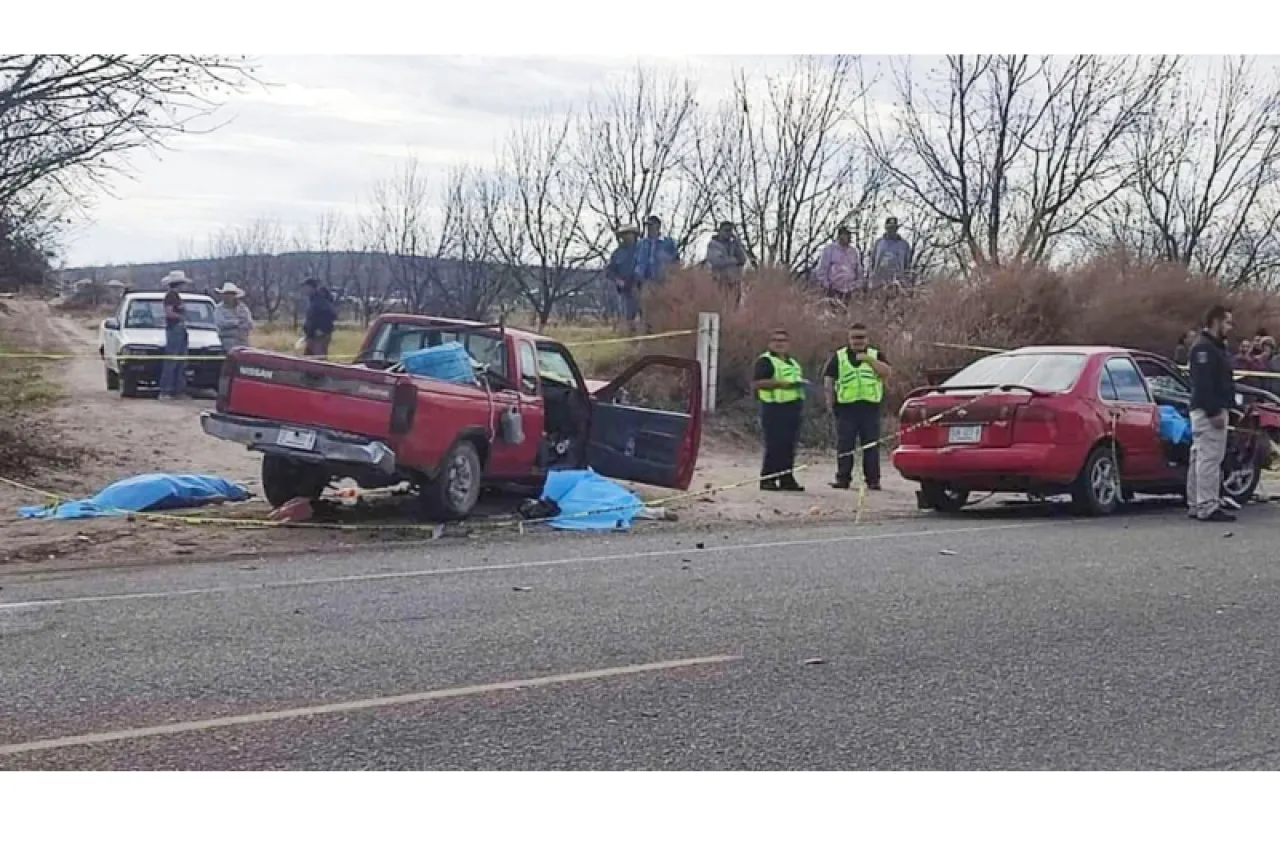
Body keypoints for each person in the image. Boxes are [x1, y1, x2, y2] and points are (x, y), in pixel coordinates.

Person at [824, 322, 892, 491]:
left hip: (870, 408)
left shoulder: (875, 355)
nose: (858, 341)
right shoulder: (839, 356)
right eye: (854, 338)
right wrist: (829, 402)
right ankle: (843, 479)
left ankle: (873, 481)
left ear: (867, 339)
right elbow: (829, 379)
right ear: (849, 339)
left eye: (861, 337)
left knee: (871, 445)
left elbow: (886, 372)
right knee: (845, 445)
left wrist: (869, 360)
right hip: (846, 408)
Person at [1187, 304, 1237, 523]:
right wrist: (1214, 411)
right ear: (1216, 322)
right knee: (1209, 458)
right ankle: (1207, 504)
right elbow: (1204, 384)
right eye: (1227, 322)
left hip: (1208, 409)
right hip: (1209, 412)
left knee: (1199, 457)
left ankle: (1196, 502)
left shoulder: (1213, 347)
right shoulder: (1204, 349)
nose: (1230, 327)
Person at [751, 328, 807, 492]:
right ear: (770, 343)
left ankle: (786, 478)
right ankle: (768, 479)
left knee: (789, 446)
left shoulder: (793, 362)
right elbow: (757, 383)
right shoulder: (765, 361)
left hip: (792, 408)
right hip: (774, 408)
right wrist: (782, 384)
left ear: (788, 344)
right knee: (775, 445)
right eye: (776, 340)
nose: (779, 343)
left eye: (782, 340)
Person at [157, 270, 191, 401]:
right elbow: (169, 313)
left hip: (179, 328)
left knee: (181, 360)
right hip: (174, 328)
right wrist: (182, 317)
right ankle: (165, 390)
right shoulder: (171, 296)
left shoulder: (175, 296)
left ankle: (178, 390)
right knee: (172, 360)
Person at [607, 224, 643, 333]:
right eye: (624, 234)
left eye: (629, 234)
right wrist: (618, 281)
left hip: (642, 287)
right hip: (625, 290)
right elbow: (610, 271)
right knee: (628, 315)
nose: (626, 237)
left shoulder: (642, 249)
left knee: (645, 314)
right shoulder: (617, 253)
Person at [814, 226, 865, 303]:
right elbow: (822, 269)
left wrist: (857, 285)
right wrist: (827, 285)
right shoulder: (830, 249)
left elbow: (859, 271)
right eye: (846, 234)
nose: (848, 237)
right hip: (833, 290)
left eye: (849, 235)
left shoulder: (854, 252)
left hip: (849, 290)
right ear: (840, 235)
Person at [705, 221, 747, 302]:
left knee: (734, 308)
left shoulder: (733, 244)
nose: (728, 233)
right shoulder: (713, 244)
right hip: (719, 281)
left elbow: (743, 259)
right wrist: (734, 260)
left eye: (730, 231)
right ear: (720, 231)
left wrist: (737, 243)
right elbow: (717, 261)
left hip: (734, 282)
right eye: (726, 230)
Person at [868, 216, 913, 287]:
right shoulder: (879, 243)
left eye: (894, 228)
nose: (891, 230)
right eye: (889, 228)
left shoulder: (904, 245)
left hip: (897, 283)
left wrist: (906, 281)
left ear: (897, 229)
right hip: (879, 282)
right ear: (886, 228)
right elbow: (872, 262)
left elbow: (907, 264)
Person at [635, 215, 678, 288]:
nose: (649, 228)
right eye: (647, 225)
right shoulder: (641, 244)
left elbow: (675, 261)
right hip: (644, 282)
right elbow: (635, 261)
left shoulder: (668, 242)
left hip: (663, 282)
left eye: (651, 225)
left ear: (658, 226)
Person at [301, 277, 337, 358]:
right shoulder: (312, 300)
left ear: (312, 288)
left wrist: (321, 330)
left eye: (306, 287)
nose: (304, 290)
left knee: (319, 360)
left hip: (319, 337)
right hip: (311, 336)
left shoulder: (320, 300)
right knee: (307, 359)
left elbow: (330, 315)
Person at [213, 282, 254, 352]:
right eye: (227, 294)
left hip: (243, 341)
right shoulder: (219, 309)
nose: (229, 296)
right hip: (227, 340)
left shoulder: (243, 308)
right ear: (223, 295)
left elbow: (250, 324)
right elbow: (221, 323)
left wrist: (241, 327)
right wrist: (236, 322)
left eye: (231, 294)